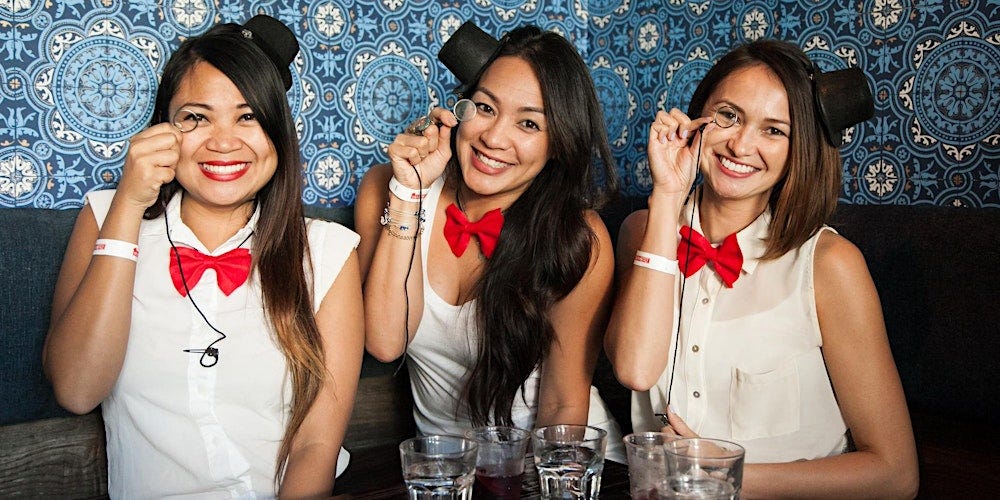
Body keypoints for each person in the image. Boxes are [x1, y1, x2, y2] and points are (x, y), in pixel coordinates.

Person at [43, 15, 363, 498]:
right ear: (164, 130)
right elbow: (76, 388)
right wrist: (129, 204)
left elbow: (317, 444)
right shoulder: (107, 214)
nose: (224, 141)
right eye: (196, 117)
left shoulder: (328, 250)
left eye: (248, 115)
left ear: (277, 131)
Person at [604, 39, 919, 497]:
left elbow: (896, 475)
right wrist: (668, 196)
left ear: (800, 148)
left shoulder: (830, 264)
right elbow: (635, 370)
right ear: (697, 120)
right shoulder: (642, 231)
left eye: (774, 130)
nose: (741, 143)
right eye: (728, 115)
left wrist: (723, 473)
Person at [356, 25, 626, 462]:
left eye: (528, 123)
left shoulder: (578, 236)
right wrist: (409, 194)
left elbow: (562, 406)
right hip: (448, 472)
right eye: (484, 107)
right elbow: (387, 341)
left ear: (558, 143)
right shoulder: (388, 188)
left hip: (560, 463)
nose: (494, 138)